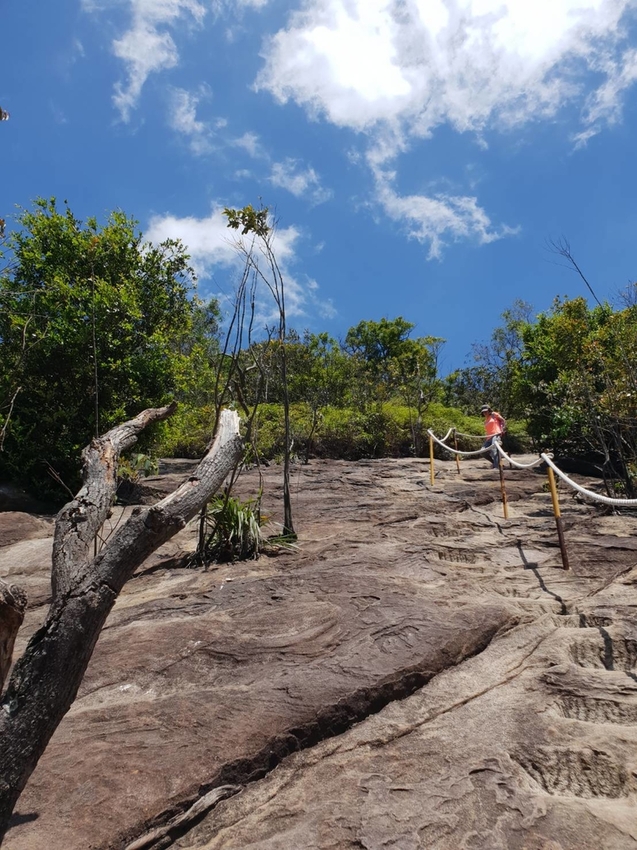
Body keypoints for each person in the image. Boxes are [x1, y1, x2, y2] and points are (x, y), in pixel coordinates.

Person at [481, 404, 506, 469]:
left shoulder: (494, 415)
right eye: (483, 412)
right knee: (482, 451)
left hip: (496, 434)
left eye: (486, 411)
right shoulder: (486, 420)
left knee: (494, 449)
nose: (485, 413)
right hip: (488, 437)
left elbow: (503, 420)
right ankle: (495, 463)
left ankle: (497, 467)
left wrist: (502, 429)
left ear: (489, 410)